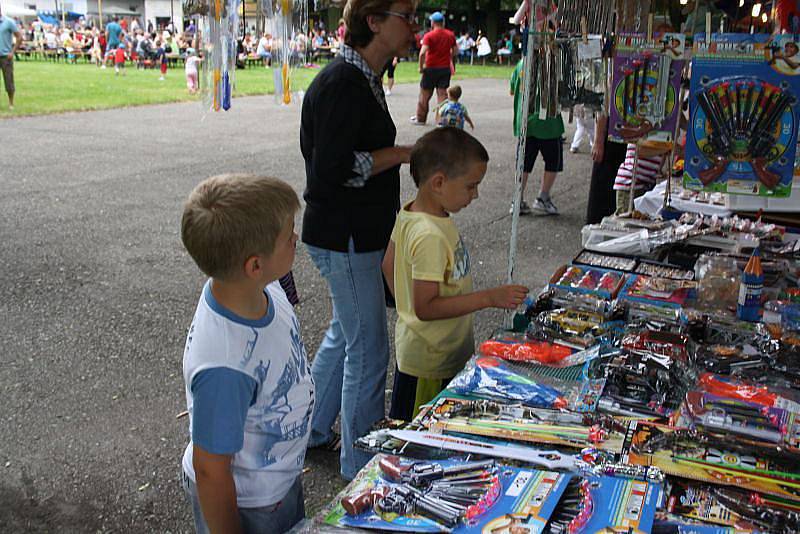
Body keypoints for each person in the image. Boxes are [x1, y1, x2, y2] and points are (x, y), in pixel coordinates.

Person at [299, 0, 417, 480]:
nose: (413, 24)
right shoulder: (342, 83)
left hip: (355, 234)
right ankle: (361, 471)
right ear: (374, 21)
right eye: (406, 14)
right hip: (344, 235)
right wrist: (403, 154)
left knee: (344, 335)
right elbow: (330, 170)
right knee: (368, 352)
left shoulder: (363, 77)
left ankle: (308, 429)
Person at [179, 174, 313, 534]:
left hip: (277, 479)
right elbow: (211, 471)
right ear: (255, 265)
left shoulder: (265, 287)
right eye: (289, 236)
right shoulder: (226, 364)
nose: (296, 239)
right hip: (250, 504)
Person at [382, 128, 529, 421]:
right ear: (439, 182)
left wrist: (407, 308)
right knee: (420, 435)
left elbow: (388, 263)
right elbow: (426, 307)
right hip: (430, 364)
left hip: (430, 353)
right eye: (471, 186)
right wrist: (488, 297)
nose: (475, 195)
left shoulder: (412, 213)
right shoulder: (429, 235)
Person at [510, 58, 564, 215]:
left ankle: (517, 199)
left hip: (526, 122)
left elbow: (512, 90)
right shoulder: (554, 64)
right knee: (553, 162)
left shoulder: (521, 63)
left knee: (523, 163)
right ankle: (543, 198)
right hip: (549, 124)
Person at [411, 11, 457, 125]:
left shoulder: (429, 36)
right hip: (444, 68)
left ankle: (421, 119)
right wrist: (450, 60)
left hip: (431, 68)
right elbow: (455, 51)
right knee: (442, 95)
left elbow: (422, 53)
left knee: (424, 95)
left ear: (432, 22)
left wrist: (421, 67)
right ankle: (440, 121)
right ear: (443, 22)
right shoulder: (450, 35)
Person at [613, 143, 667, 214]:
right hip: (630, 183)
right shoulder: (642, 133)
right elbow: (640, 150)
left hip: (646, 183)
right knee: (626, 218)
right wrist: (666, 148)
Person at [0, 5, 22, 110]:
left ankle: (11, 103)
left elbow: (19, 37)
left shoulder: (8, 22)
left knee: (9, 80)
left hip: (5, 56)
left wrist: (12, 52)